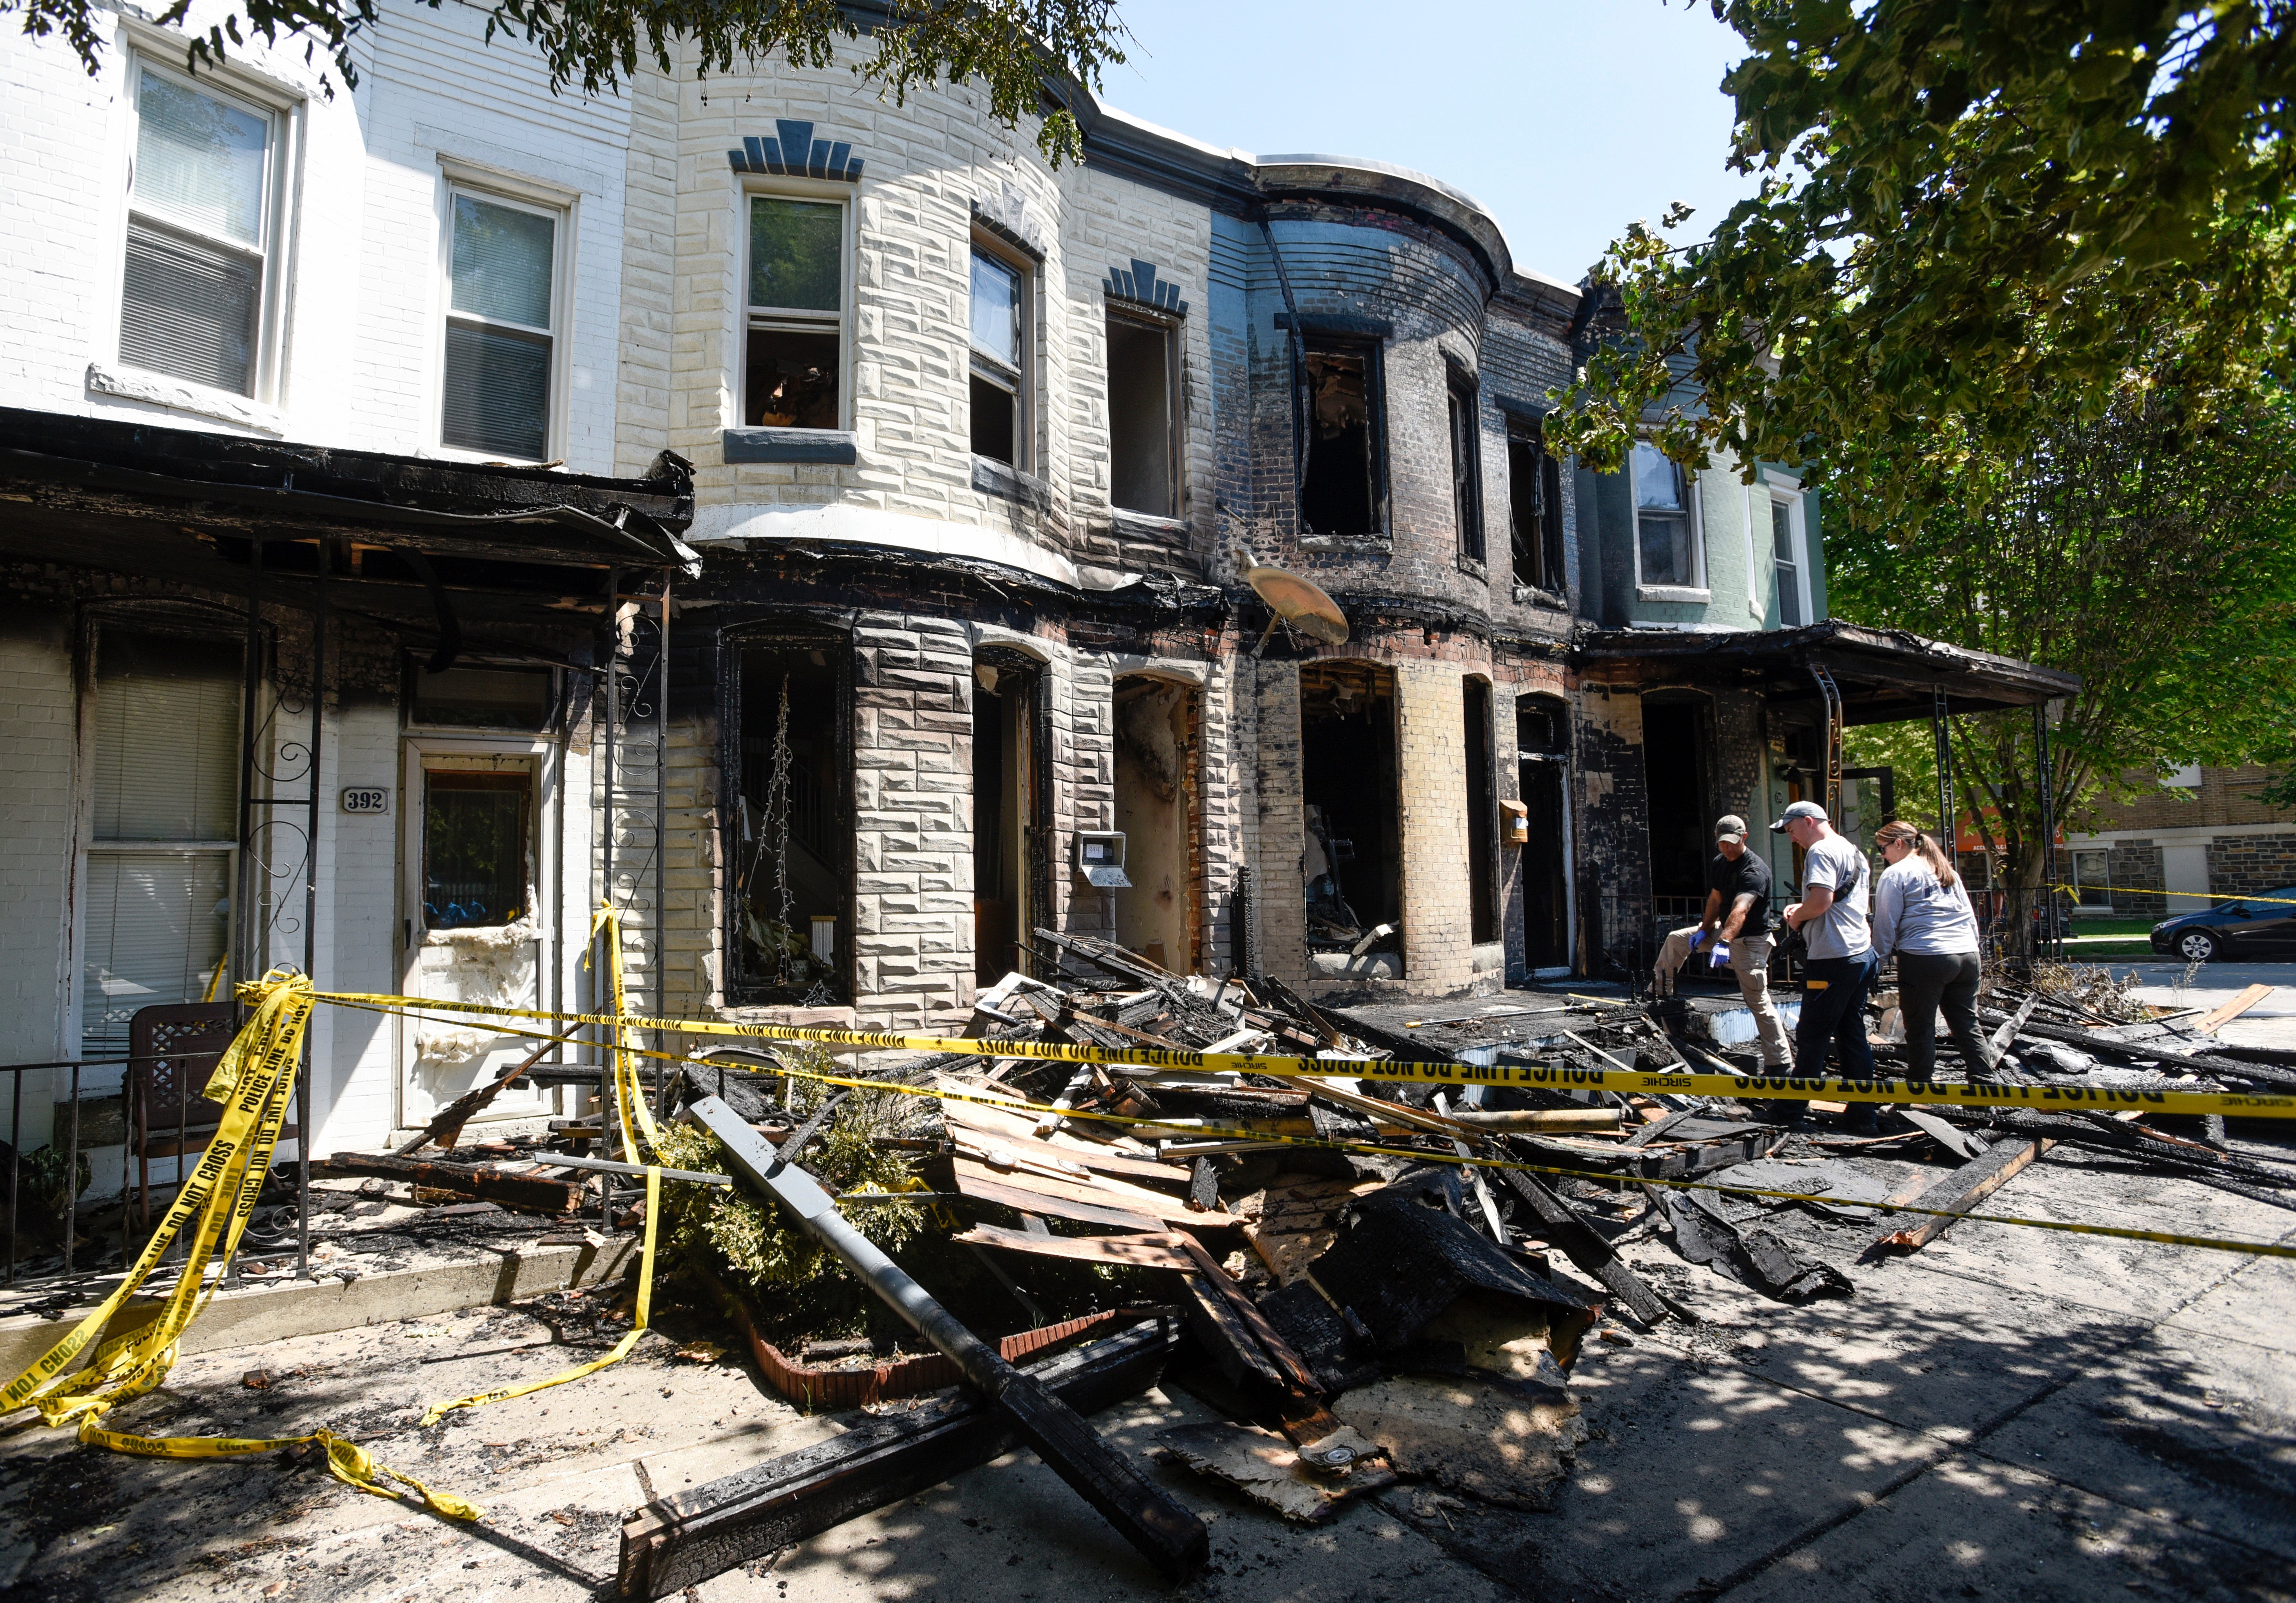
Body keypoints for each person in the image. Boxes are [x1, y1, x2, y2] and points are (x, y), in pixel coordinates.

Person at [1651, 815, 1793, 1067]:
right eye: (1722, 843)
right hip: (1725, 932)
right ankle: (1660, 995)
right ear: (1716, 839)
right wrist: (1704, 930)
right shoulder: (1721, 862)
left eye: (1732, 843)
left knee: (1758, 1002)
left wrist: (1724, 942)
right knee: (1677, 939)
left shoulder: (1755, 871)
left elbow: (1741, 909)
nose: (1727, 848)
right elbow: (1716, 900)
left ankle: (1780, 1063)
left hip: (1750, 941)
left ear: (1744, 838)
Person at [1775, 800, 1880, 1132]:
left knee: (1812, 1036)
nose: (1792, 838)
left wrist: (1797, 916)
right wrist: (1805, 908)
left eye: (1792, 830)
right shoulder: (1852, 850)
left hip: (1833, 957)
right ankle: (1863, 1115)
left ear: (1809, 821)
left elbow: (1821, 901)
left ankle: (1790, 1111)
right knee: (1852, 1034)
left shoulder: (1820, 852)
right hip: (1860, 953)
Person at [1872, 820, 1988, 1077]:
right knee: (1968, 1024)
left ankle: (1920, 1088)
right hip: (1967, 955)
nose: (1883, 856)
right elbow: (1970, 918)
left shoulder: (1896, 874)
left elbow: (1885, 924)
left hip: (1925, 955)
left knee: (1920, 1027)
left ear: (1898, 844)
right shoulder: (1946, 871)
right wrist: (1973, 948)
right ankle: (1985, 1086)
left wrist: (1875, 963)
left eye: (1883, 848)